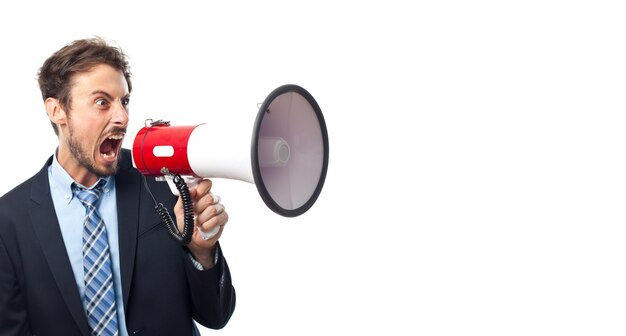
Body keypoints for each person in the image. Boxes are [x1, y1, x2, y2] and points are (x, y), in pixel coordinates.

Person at [0, 37, 236, 335]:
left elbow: (216, 316)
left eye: (124, 101)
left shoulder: (163, 181)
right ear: (57, 110)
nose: (122, 117)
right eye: (102, 102)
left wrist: (202, 251)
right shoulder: (9, 222)